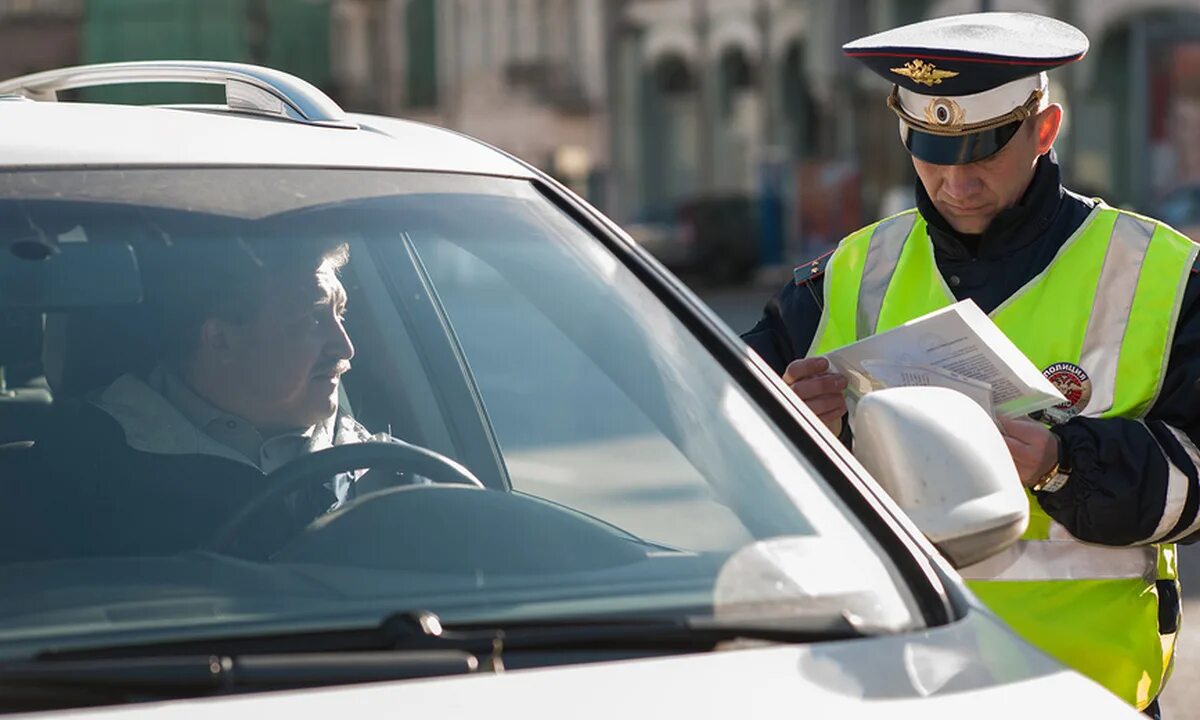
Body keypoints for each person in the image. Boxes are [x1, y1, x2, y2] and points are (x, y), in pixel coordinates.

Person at [742, 12, 1200, 718]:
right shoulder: (852, 271)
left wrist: (1064, 462)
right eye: (932, 151)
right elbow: (724, 436)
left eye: (982, 150)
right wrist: (796, 428)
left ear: (1044, 130)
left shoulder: (1162, 273)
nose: (955, 180)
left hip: (1085, 689)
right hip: (893, 683)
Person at [0, 235, 394, 561]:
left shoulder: (390, 474)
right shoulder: (61, 483)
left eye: (340, 314)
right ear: (220, 338)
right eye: (313, 317)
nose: (346, 347)